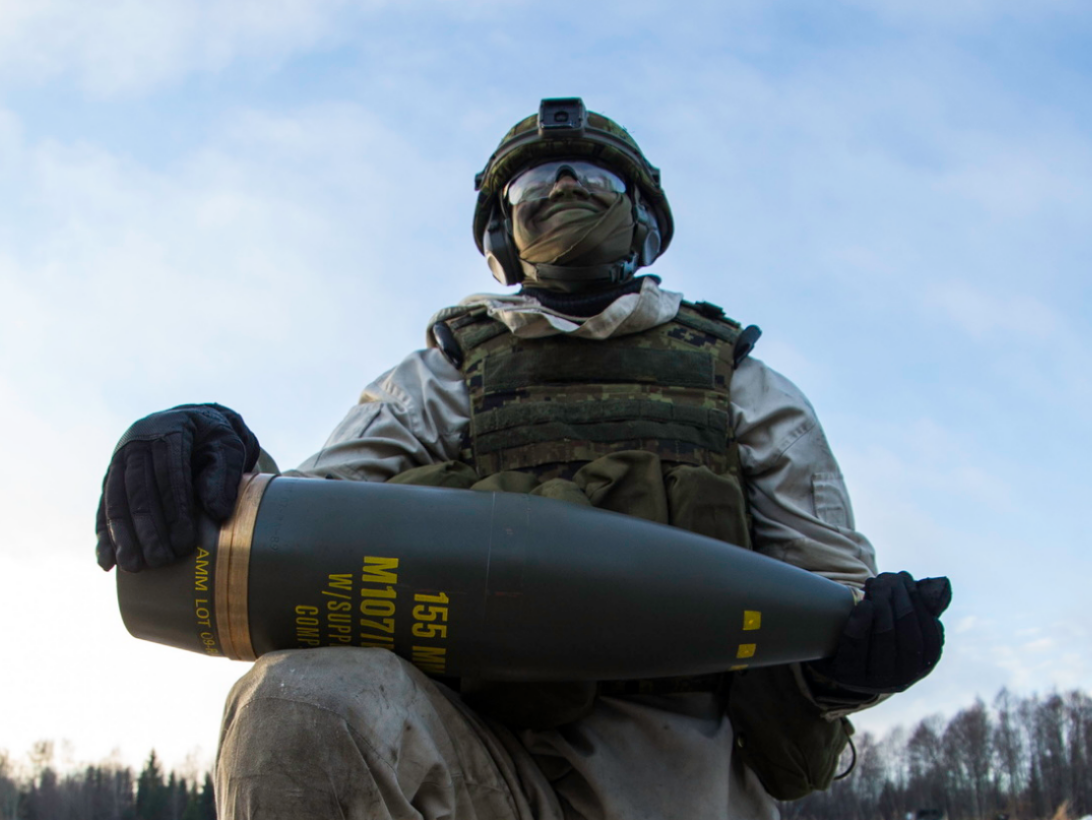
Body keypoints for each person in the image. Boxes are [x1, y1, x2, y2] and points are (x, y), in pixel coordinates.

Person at [96, 98, 950, 820]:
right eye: (539, 185)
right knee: (298, 703)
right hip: (480, 772)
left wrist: (857, 662)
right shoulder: (438, 379)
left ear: (643, 218)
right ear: (503, 236)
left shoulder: (744, 388)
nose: (567, 193)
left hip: (687, 790)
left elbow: (831, 596)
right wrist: (219, 460)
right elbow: (316, 528)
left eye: (596, 181)